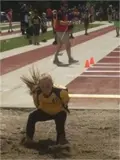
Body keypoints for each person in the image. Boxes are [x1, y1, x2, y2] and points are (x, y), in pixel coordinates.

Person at [21, 68, 70, 148]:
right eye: (42, 86)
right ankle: (29, 138)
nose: (45, 88)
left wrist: (60, 102)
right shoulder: (37, 93)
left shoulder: (61, 92)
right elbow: (37, 105)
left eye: (47, 86)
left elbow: (66, 103)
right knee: (32, 116)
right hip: (45, 112)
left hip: (58, 112)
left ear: (52, 84)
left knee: (60, 120)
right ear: (39, 86)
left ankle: (61, 140)